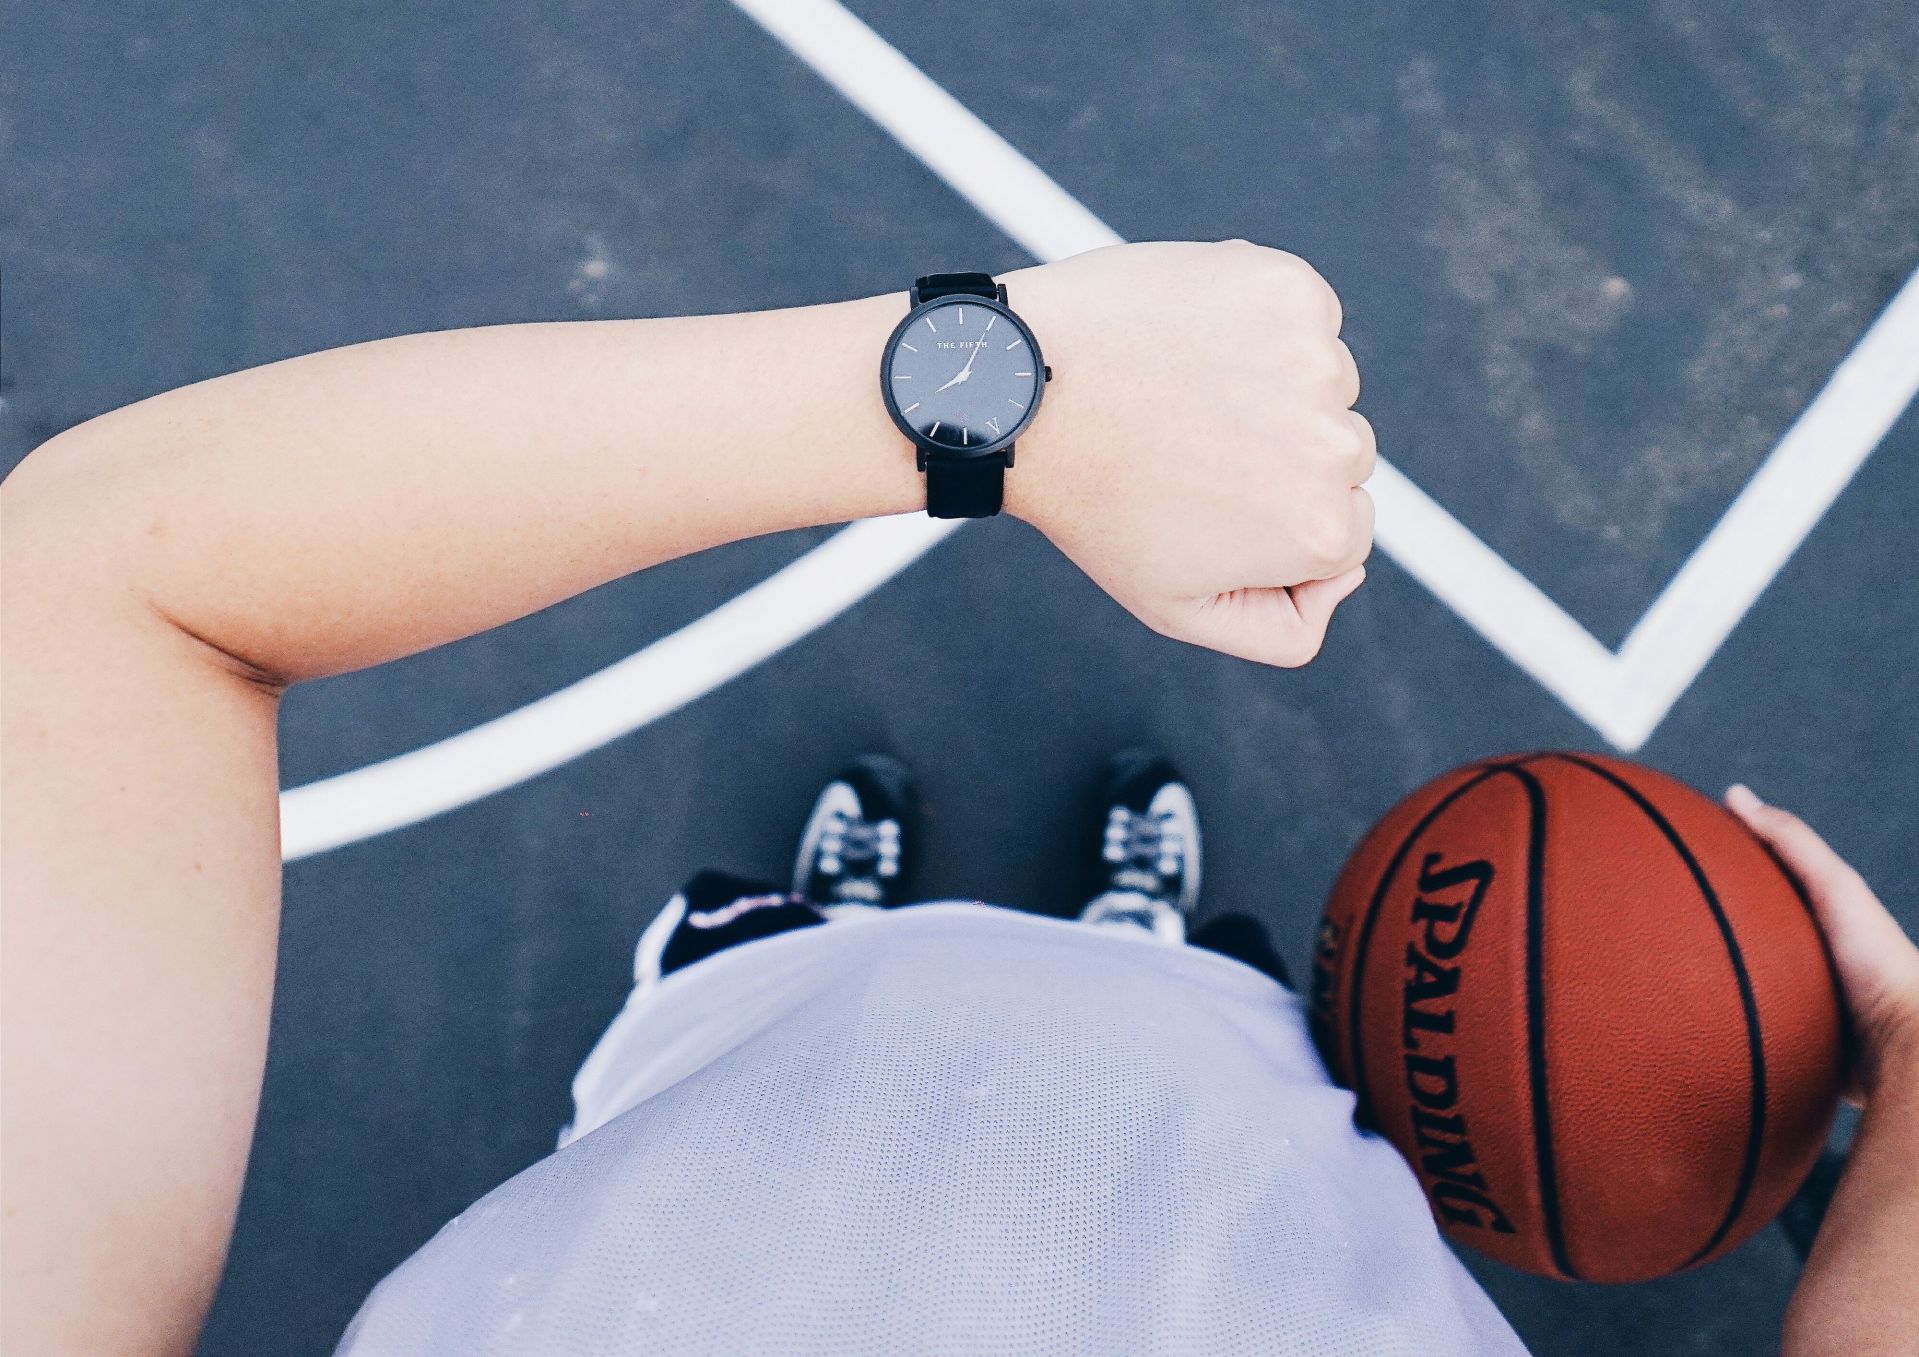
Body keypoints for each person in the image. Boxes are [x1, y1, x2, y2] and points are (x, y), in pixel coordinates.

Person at [2, 241, 1913, 1355]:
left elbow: (104, 591)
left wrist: (1005, 393)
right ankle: (1133, 949)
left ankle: (851, 933)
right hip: (1221, 1101)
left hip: (753, 1062)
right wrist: (992, 389)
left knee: (779, 1010)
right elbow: (108, 590)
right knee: (1187, 1024)